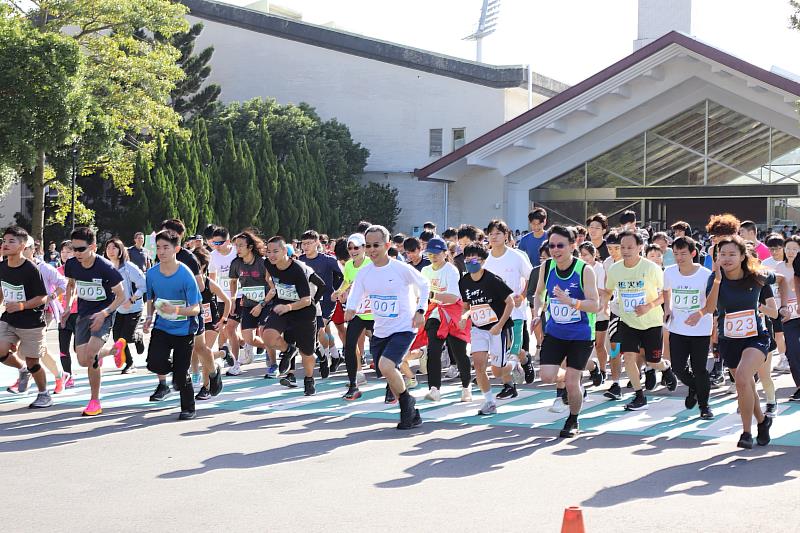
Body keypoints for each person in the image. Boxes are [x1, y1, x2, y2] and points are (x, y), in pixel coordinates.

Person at [345, 225, 429, 429]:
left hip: (404, 327)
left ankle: (406, 407)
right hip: (381, 329)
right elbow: (356, 291)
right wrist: (351, 308)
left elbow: (424, 284)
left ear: (387, 245)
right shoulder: (365, 272)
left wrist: (420, 311)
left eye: (376, 245)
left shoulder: (400, 268)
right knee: (387, 371)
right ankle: (409, 406)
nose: (372, 250)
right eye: (368, 246)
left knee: (386, 366)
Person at [532, 225, 601, 437]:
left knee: (571, 383)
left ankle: (573, 419)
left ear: (573, 246)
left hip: (580, 335)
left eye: (560, 245)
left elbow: (595, 305)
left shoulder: (584, 270)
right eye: (552, 245)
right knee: (546, 376)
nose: (555, 249)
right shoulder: (547, 267)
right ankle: (585, 370)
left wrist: (571, 301)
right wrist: (537, 312)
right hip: (555, 332)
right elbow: (539, 293)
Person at [710, 236, 777, 448]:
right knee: (745, 384)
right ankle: (763, 421)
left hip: (756, 337)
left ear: (742, 256)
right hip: (729, 340)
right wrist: (718, 280)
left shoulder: (757, 276)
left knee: (741, 377)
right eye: (722, 254)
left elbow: (782, 278)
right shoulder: (715, 280)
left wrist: (780, 308)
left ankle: (746, 433)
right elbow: (709, 307)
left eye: (732, 254)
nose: (726, 258)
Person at [605, 230, 677, 411]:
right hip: (628, 322)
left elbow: (665, 294)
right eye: (622, 247)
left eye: (630, 247)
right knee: (628, 357)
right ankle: (639, 395)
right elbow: (607, 291)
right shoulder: (615, 269)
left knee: (652, 361)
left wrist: (649, 306)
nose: (625, 250)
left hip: (651, 322)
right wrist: (601, 304)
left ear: (640, 247)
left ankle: (665, 369)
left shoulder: (651, 268)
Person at [62, 226, 128, 416]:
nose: (76, 253)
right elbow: (72, 285)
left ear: (93, 246)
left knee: (91, 354)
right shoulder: (72, 264)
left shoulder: (105, 267)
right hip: (84, 314)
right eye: (74, 249)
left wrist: (104, 314)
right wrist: (68, 307)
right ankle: (115, 349)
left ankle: (94, 401)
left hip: (104, 314)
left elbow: (121, 296)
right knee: (82, 360)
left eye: (81, 249)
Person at [143, 229, 203, 420]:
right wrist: (149, 317)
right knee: (153, 362)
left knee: (181, 374)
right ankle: (176, 371)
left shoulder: (186, 275)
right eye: (158, 247)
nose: (161, 251)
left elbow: (196, 309)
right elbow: (151, 299)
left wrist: (175, 311)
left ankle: (188, 408)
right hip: (161, 327)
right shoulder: (152, 273)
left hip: (184, 330)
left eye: (166, 247)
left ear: (176, 249)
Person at [262, 236, 325, 396]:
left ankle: (309, 379)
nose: (272, 255)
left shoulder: (298, 269)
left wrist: (288, 306)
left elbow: (306, 300)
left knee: (307, 352)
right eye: (269, 252)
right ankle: (288, 350)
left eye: (276, 251)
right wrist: (274, 290)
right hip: (282, 309)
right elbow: (271, 278)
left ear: (285, 251)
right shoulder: (268, 263)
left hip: (303, 311)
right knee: (268, 336)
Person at [458, 243, 514, 416]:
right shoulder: (464, 281)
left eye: (473, 259)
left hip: (498, 329)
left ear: (482, 261)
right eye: (466, 259)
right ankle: (489, 402)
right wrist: (464, 317)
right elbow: (467, 306)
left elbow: (510, 302)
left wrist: (499, 325)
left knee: (497, 371)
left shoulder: (492, 279)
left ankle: (513, 365)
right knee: (479, 366)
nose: (469, 262)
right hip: (478, 329)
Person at [0, 226, 52, 408]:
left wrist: (22, 305)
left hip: (31, 322)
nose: (5, 244)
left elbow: (42, 297)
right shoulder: (2, 266)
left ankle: (44, 394)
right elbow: (2, 289)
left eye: (11, 241)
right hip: (9, 318)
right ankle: (22, 369)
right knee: (0, 349)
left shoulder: (30, 268)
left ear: (23, 246)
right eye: (4, 241)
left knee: (33, 362)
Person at [663, 237, 714, 419]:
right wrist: (667, 307)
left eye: (683, 253)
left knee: (699, 368)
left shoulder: (706, 274)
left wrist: (700, 313)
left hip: (700, 329)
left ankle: (704, 405)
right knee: (677, 367)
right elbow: (665, 290)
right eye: (675, 253)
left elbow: (711, 301)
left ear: (693, 253)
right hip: (677, 328)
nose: (679, 257)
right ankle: (694, 386)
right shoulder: (669, 272)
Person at [484, 219, 535, 392]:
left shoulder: (516, 256)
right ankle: (510, 383)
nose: (494, 237)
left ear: (506, 235)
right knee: (501, 349)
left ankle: (521, 365)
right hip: (493, 313)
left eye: (498, 233)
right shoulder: (486, 259)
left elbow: (531, 276)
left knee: (512, 349)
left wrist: (522, 294)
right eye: (491, 234)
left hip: (516, 312)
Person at [420, 237, 471, 402]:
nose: (433, 257)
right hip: (435, 314)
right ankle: (434, 389)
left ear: (444, 253)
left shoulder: (451, 270)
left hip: (453, 315)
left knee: (459, 353)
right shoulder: (425, 271)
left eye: (436, 253)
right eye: (430, 253)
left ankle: (466, 387)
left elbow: (453, 296)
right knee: (433, 350)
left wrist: (432, 295)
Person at [298, 230, 344, 378]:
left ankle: (324, 355)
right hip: (308, 301)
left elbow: (345, 276)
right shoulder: (300, 260)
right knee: (324, 331)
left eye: (309, 243)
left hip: (326, 301)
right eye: (303, 244)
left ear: (317, 243)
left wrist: (336, 291)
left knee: (318, 329)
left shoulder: (328, 260)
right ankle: (335, 355)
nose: (306, 246)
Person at [225, 231, 271, 377]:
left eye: (240, 246)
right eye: (235, 246)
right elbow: (233, 281)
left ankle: (273, 363)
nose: (237, 249)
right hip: (248, 304)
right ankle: (275, 347)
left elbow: (272, 286)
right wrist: (232, 299)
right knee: (247, 338)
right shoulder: (236, 263)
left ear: (250, 247)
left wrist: (262, 304)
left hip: (266, 303)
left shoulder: (263, 262)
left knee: (265, 331)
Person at [335, 233, 373, 398]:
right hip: (358, 312)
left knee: (380, 349)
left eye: (356, 247)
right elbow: (347, 281)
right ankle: (353, 384)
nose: (353, 251)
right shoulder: (349, 265)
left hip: (375, 313)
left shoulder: (371, 263)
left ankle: (391, 386)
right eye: (350, 248)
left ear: (364, 248)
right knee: (349, 346)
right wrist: (340, 291)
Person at [104, 238, 146, 374]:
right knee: (117, 338)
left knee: (127, 337)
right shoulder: (106, 268)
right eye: (108, 248)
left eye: (114, 248)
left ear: (121, 251)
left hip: (133, 307)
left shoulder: (129, 268)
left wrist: (132, 300)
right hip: (117, 309)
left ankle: (137, 337)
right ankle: (130, 363)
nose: (111, 251)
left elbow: (143, 285)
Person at [191, 246, 227, 399]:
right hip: (195, 322)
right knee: (197, 352)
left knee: (203, 351)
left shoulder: (209, 283)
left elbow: (226, 300)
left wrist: (223, 320)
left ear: (203, 266)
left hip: (212, 323)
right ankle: (223, 354)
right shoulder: (188, 282)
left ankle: (205, 387)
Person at [57, 241, 78, 389]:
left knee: (79, 348)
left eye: (69, 251)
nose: (65, 254)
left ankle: (95, 355)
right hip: (62, 314)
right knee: (63, 348)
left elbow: (75, 290)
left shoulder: (80, 270)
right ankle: (68, 375)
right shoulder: (56, 271)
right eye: (63, 251)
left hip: (78, 313)